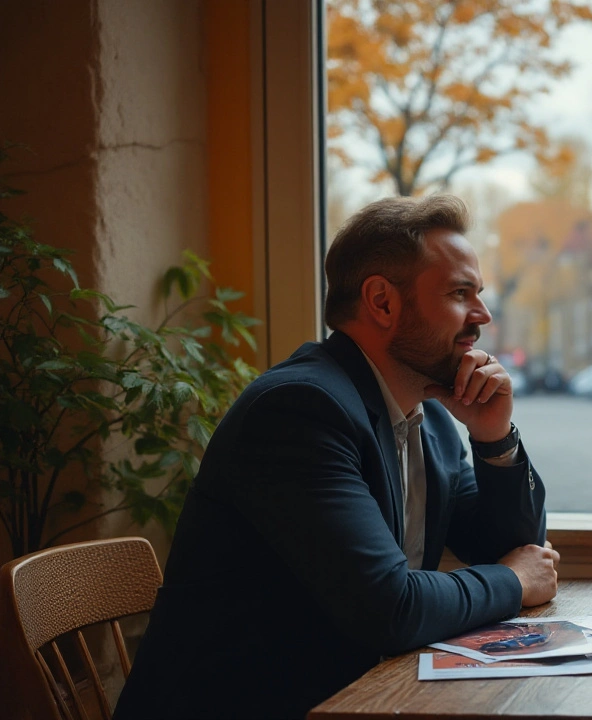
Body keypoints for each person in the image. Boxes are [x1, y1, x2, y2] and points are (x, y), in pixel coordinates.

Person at [115, 195, 559, 720]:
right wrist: (511, 581)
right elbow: (391, 608)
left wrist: (494, 438)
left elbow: (514, 549)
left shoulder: (432, 418)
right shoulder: (299, 410)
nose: (482, 316)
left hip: (355, 696)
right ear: (382, 302)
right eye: (460, 293)